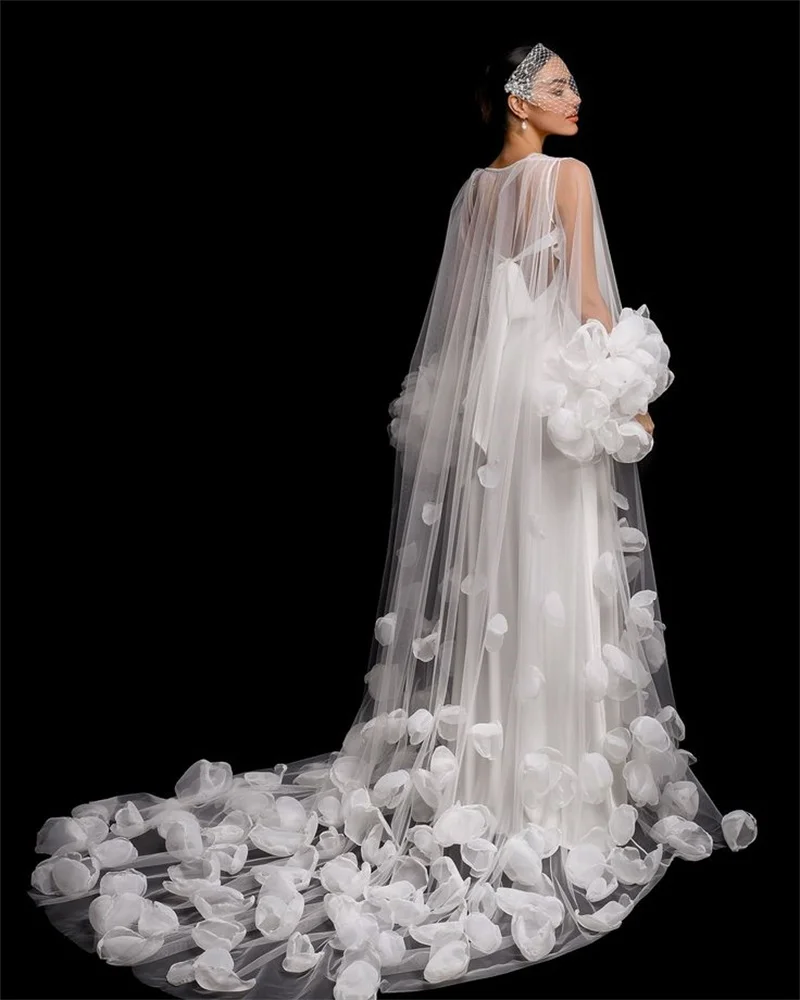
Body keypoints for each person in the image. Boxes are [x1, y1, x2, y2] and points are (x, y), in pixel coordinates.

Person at [30, 42, 756, 1000]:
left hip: (490, 398)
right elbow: (588, 298)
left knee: (502, 575)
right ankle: (555, 785)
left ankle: (490, 775)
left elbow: (468, 317)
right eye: (557, 86)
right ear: (518, 101)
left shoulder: (471, 192)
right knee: (555, 568)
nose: (575, 98)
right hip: (549, 394)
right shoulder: (568, 177)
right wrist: (625, 392)